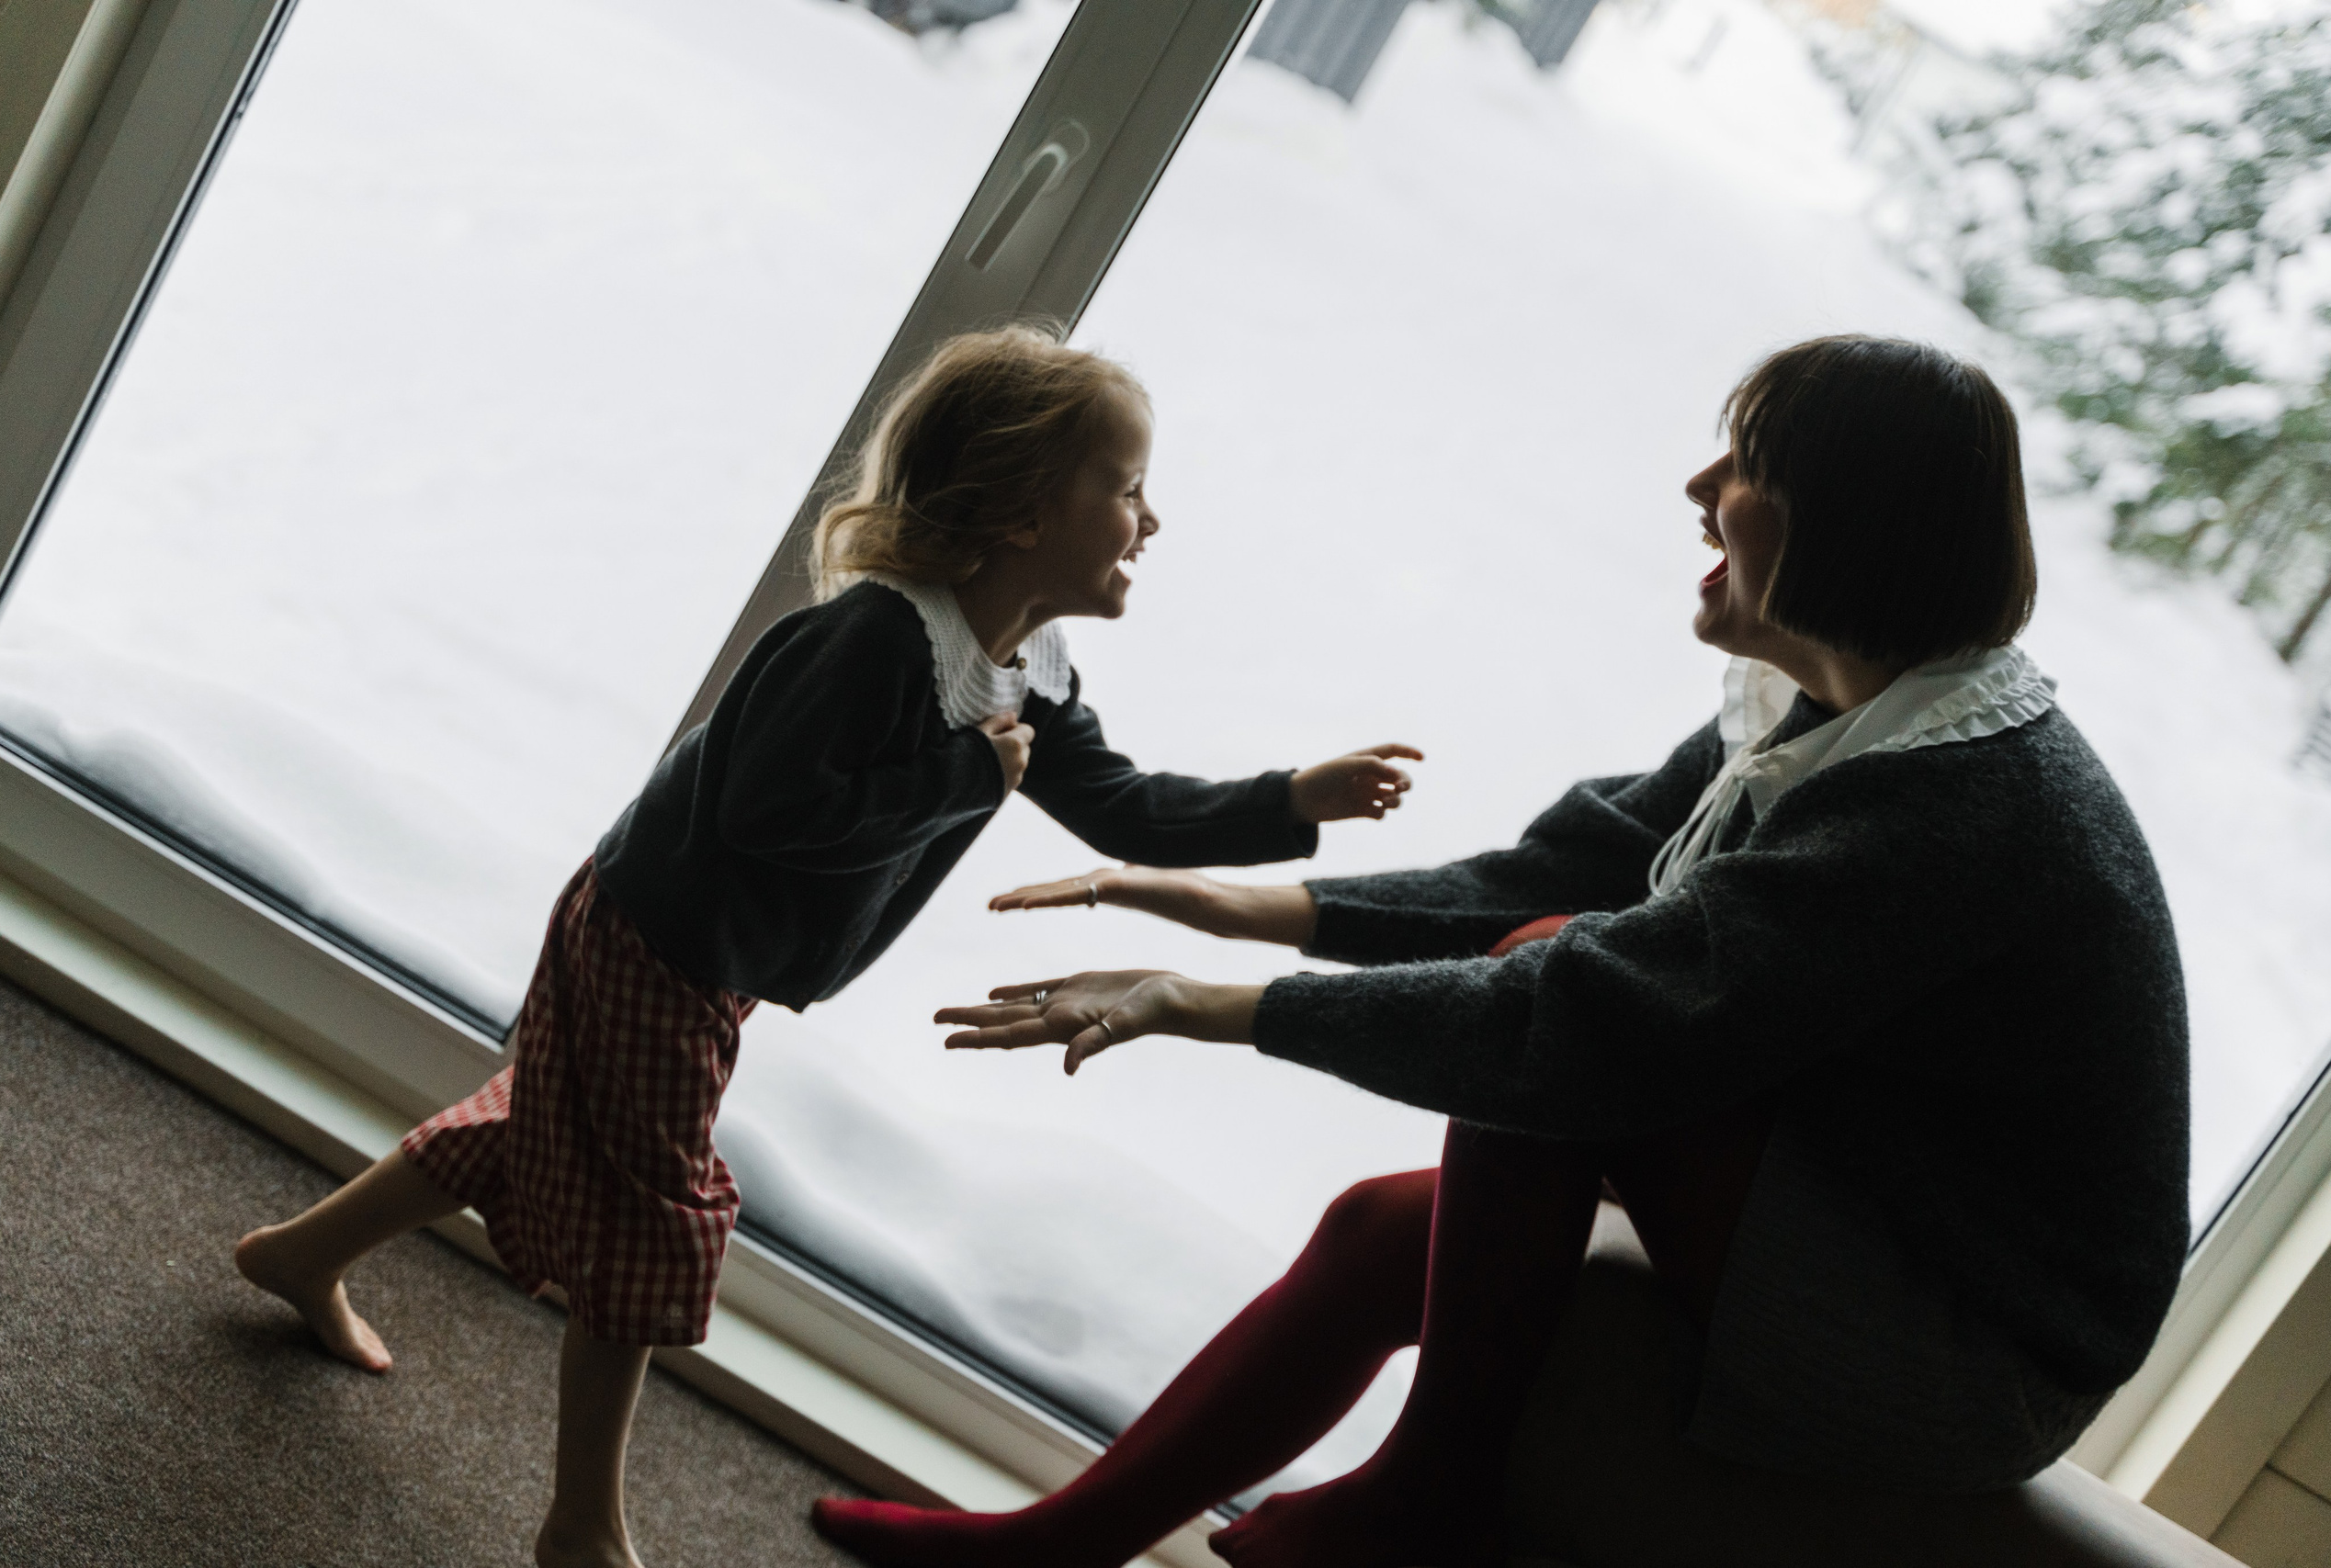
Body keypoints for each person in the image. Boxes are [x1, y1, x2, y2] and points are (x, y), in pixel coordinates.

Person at [812, 336, 2191, 1568]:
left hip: (1969, 1346)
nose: (1701, 487)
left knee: (1557, 977)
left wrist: (1209, 1005)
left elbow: (1595, 1011)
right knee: (1374, 1233)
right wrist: (1257, 907)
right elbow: (1570, 873)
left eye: (1750, 462)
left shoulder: (1950, 797)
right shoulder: (1839, 706)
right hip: (1861, 1202)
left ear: (1853, 527)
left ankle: (1430, 1496)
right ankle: (1055, 1552)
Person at [231, 324, 1424, 1568]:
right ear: (1022, 513)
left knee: (540, 1118)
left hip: (713, 953)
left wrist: (1291, 799)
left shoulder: (1025, 668)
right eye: (1125, 489)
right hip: (660, 936)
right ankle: (581, 1524)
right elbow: (772, 810)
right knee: (655, 1214)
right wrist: (962, 772)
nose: (1152, 520)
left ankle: (298, 1255)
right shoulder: (874, 641)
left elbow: (1126, 805)